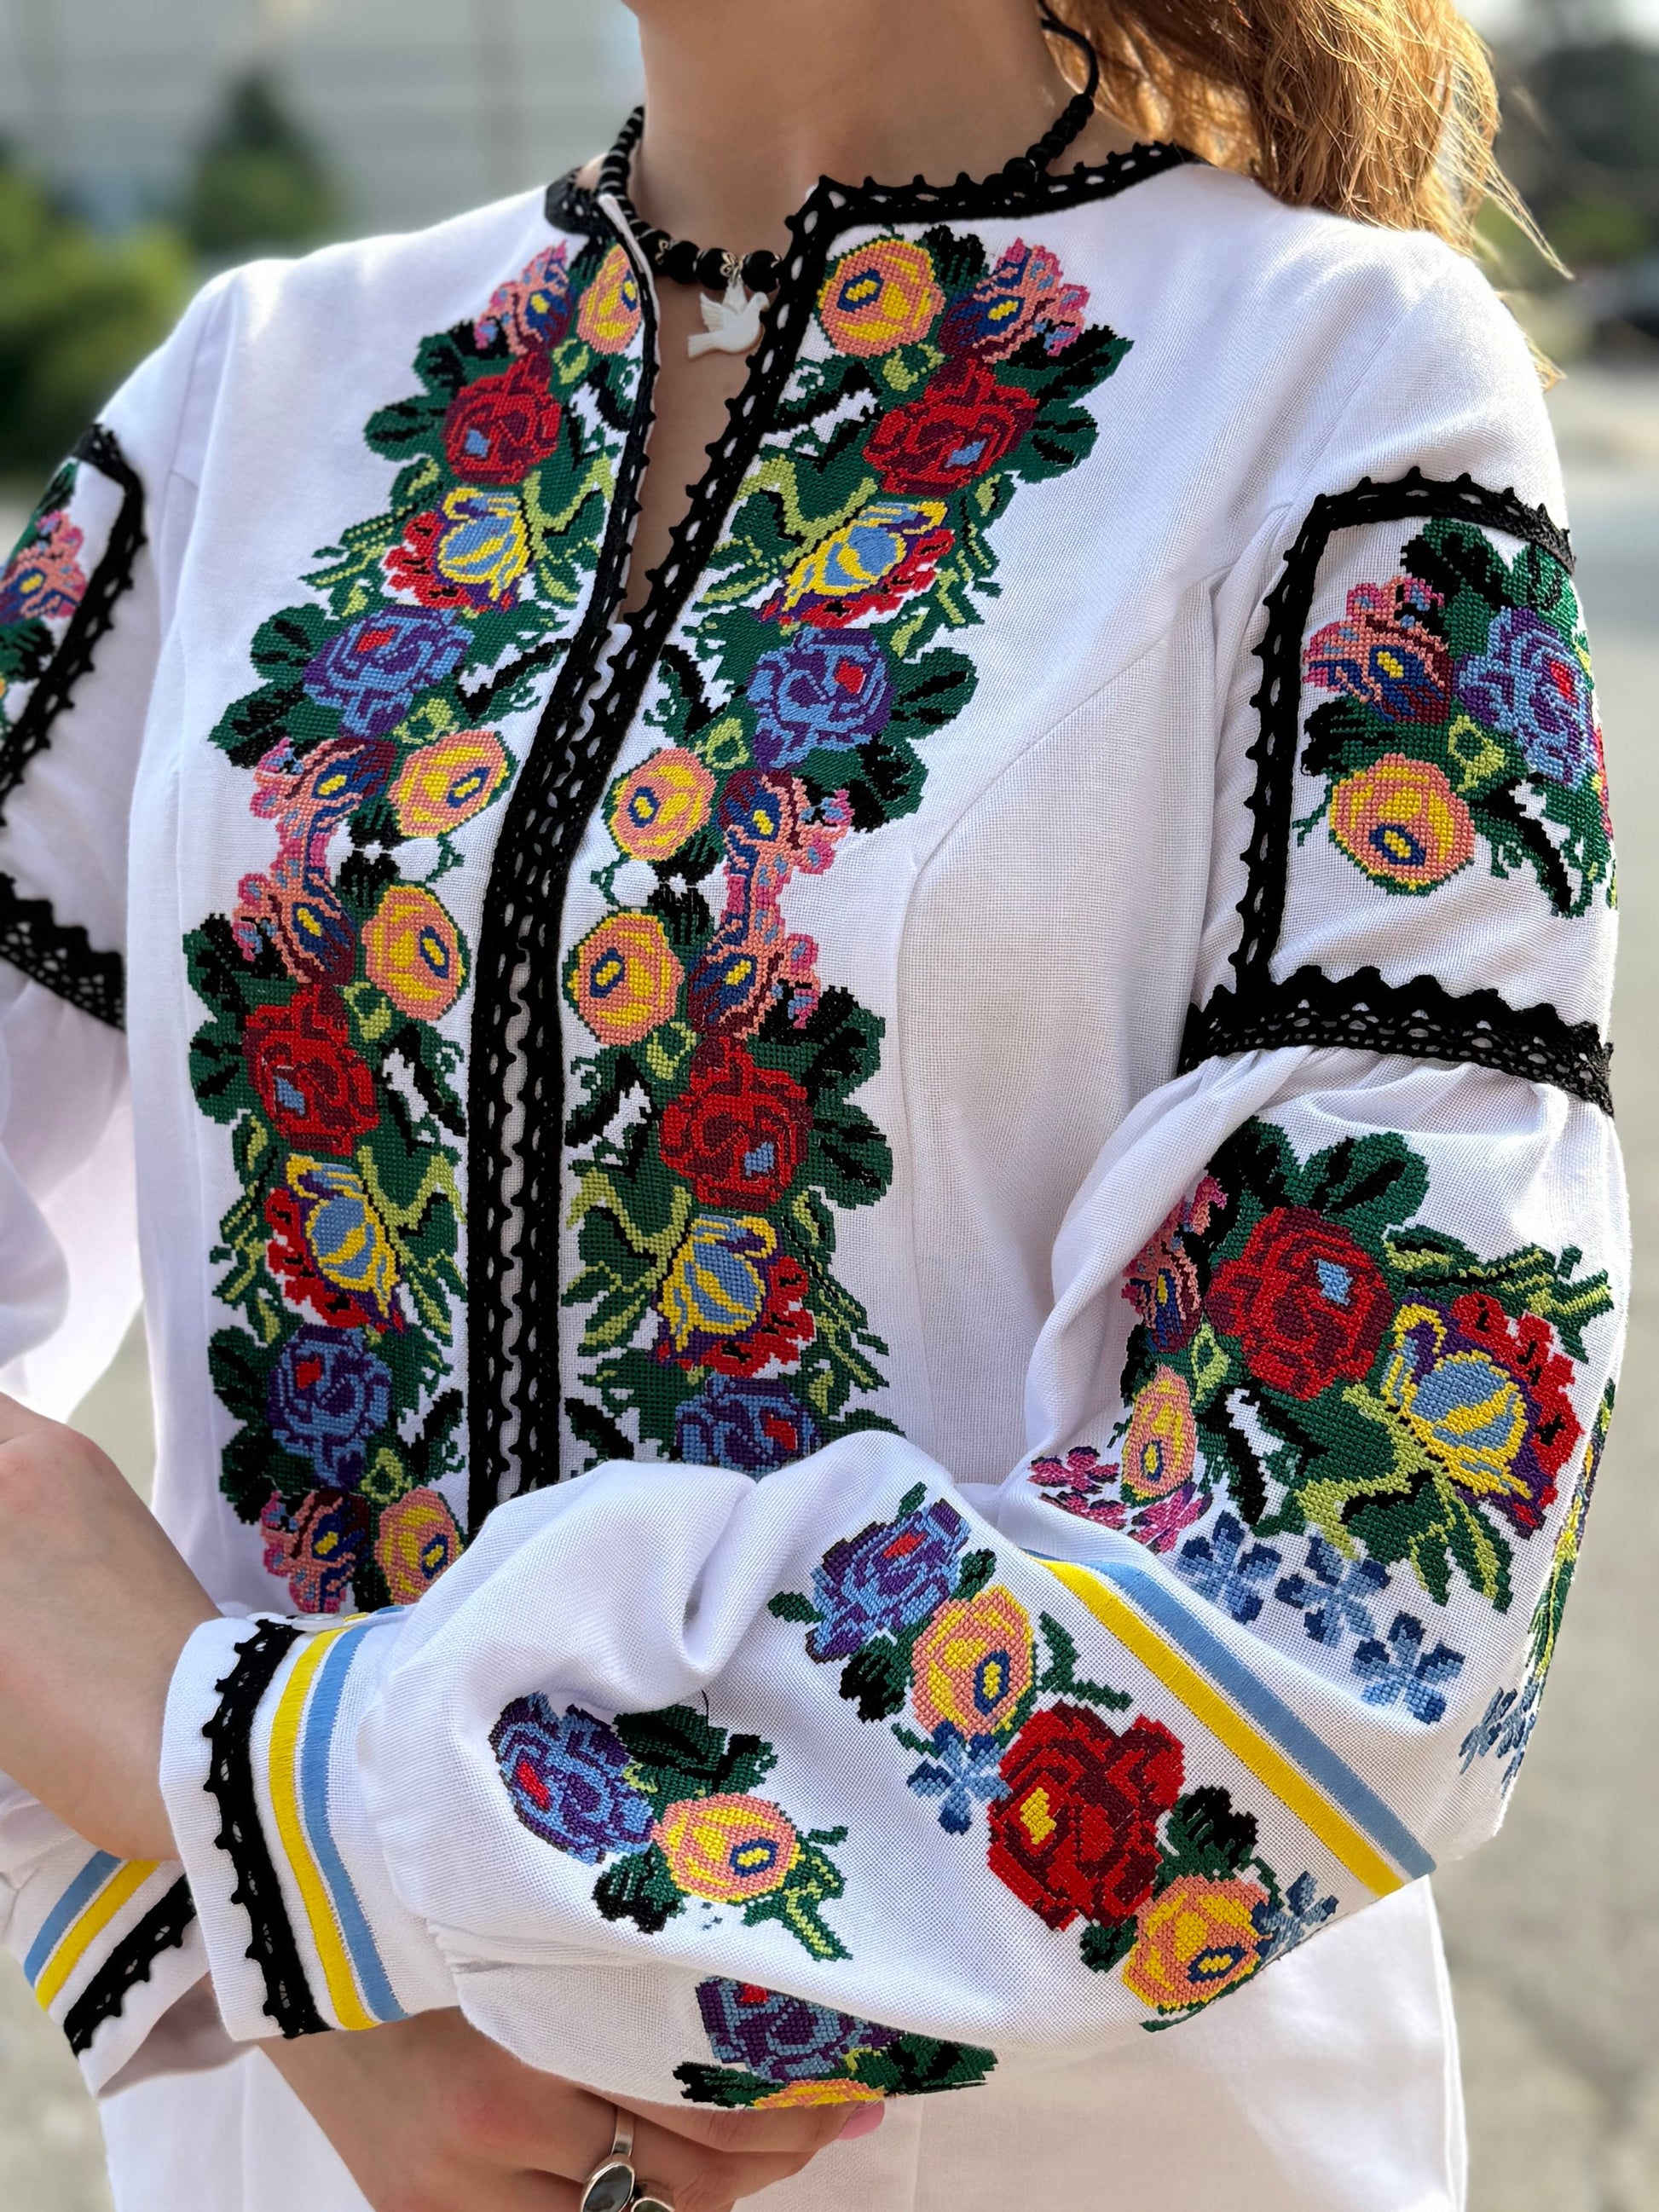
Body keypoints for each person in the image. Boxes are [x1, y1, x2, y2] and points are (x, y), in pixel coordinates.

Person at [0, 0, 1626, 2207]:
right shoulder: (247, 400)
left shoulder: (1339, 394)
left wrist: (287, 1810)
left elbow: (1379, 1540)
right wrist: (206, 1929)